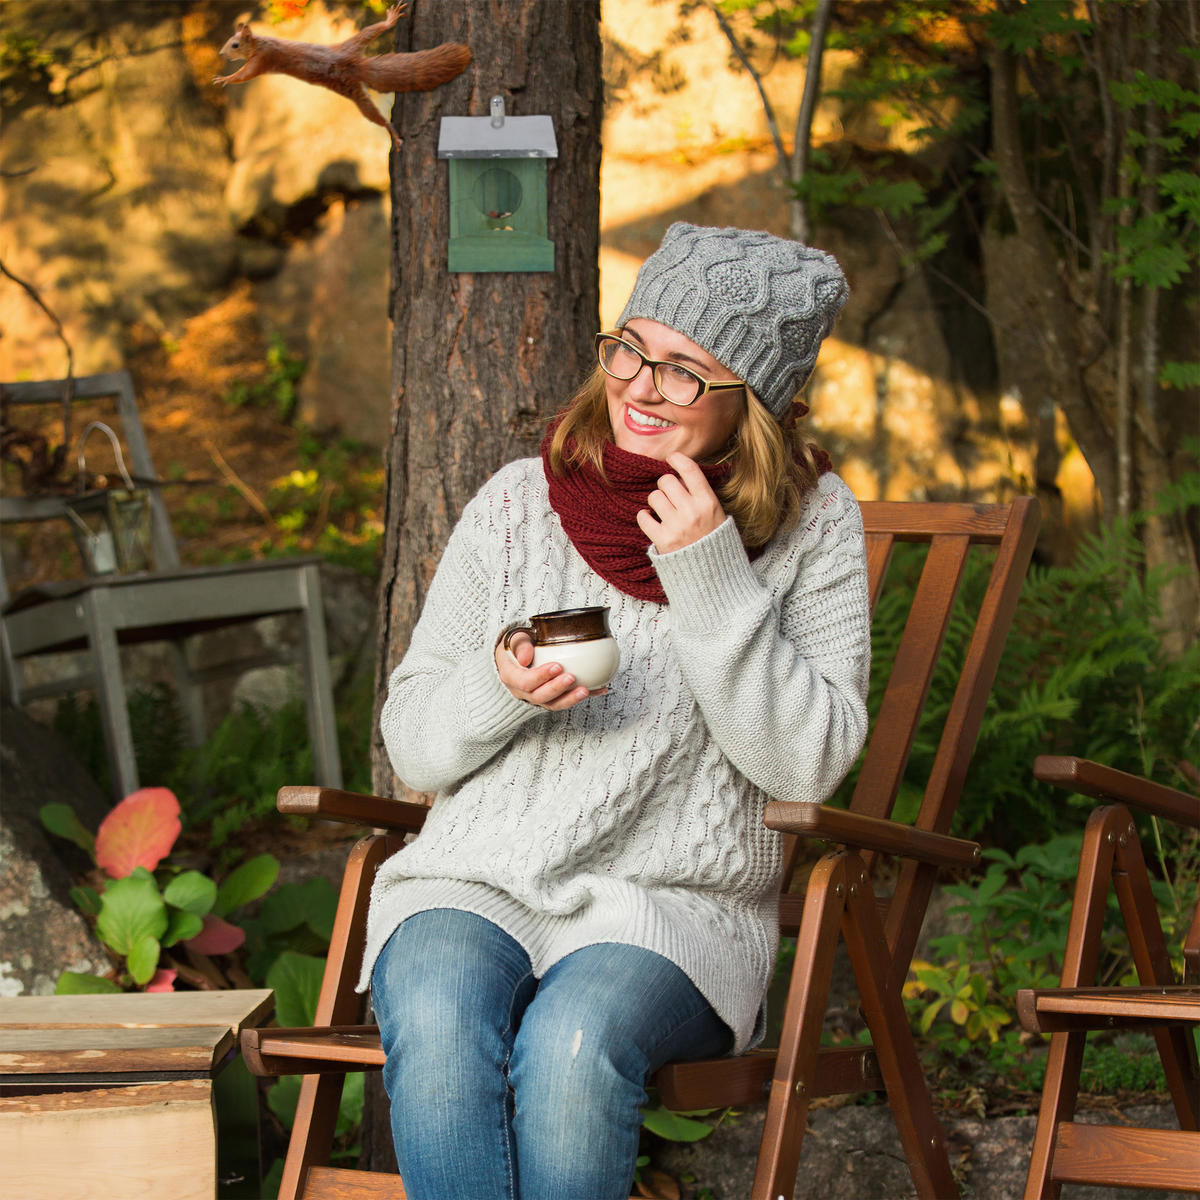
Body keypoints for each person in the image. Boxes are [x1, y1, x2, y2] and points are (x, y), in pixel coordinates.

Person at [360, 222, 873, 1199]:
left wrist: (709, 571)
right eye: (630, 349)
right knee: (434, 1012)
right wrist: (499, 689)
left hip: (674, 906)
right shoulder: (519, 502)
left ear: (753, 402)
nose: (641, 386)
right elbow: (415, 751)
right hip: (477, 879)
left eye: (684, 371)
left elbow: (805, 767)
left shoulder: (813, 526)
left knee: (572, 1045)